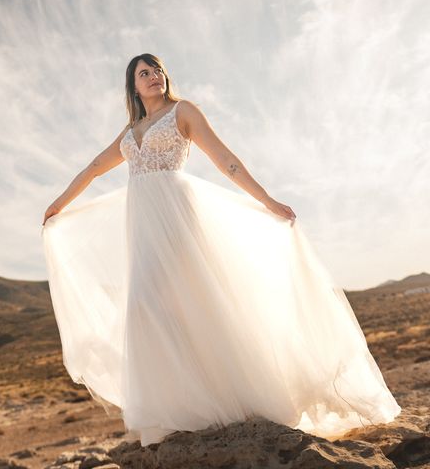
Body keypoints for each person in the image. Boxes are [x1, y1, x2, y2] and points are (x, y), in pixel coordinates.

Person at [41, 53, 401, 447]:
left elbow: (224, 159)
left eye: (157, 69)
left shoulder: (184, 111)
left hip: (178, 218)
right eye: (144, 73)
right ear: (133, 86)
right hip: (144, 227)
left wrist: (267, 200)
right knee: (146, 307)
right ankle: (180, 407)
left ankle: (237, 401)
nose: (154, 76)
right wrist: (61, 203)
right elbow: (94, 165)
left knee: (195, 302)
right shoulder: (130, 131)